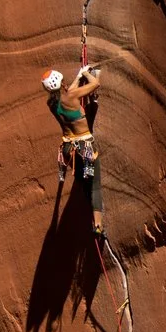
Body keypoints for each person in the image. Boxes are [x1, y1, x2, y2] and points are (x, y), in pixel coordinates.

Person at [45, 65, 103, 235]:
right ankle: (98, 226)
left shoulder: (52, 103)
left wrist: (78, 77)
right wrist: (86, 73)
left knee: (83, 180)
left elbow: (68, 93)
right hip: (85, 148)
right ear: (61, 82)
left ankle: (89, 207)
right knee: (95, 185)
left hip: (68, 150)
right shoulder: (72, 95)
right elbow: (95, 83)